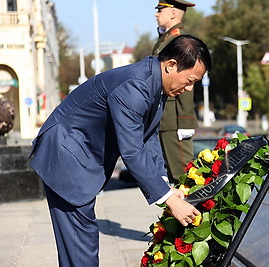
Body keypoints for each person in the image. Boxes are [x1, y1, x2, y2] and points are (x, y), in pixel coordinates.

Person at [29, 35, 212, 266]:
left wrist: (164, 184)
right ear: (171, 65)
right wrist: (169, 201)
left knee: (80, 242)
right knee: (80, 242)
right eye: (189, 80)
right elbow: (132, 150)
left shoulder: (155, 83)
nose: (189, 88)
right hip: (66, 154)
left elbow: (148, 137)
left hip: (78, 153)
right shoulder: (136, 86)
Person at [153, 0, 198, 184]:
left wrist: (186, 120)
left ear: (172, 13)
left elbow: (187, 80)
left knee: (184, 176)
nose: (156, 14)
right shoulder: (166, 38)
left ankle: (197, 213)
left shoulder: (181, 40)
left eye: (160, 10)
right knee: (174, 177)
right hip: (166, 117)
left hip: (175, 118)